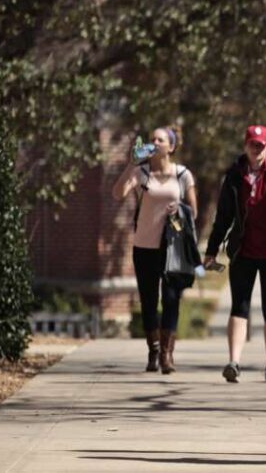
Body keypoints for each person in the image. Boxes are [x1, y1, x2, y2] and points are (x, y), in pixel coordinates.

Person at [203, 125, 266, 384]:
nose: (256, 149)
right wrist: (211, 251)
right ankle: (233, 363)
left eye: (261, 145)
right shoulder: (234, 177)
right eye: (252, 144)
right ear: (245, 146)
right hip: (243, 251)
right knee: (240, 307)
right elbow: (223, 217)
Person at [112, 126, 197, 374]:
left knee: (172, 299)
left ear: (170, 147)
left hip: (173, 248)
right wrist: (131, 164)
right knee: (149, 301)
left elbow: (194, 210)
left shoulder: (182, 175)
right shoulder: (141, 173)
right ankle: (153, 350)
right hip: (144, 246)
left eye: (160, 140)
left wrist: (180, 208)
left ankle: (167, 355)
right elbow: (117, 194)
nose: (154, 142)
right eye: (152, 139)